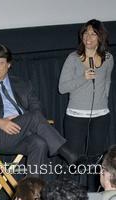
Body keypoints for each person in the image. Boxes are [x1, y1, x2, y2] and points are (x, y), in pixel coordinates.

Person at [0, 44, 82, 177]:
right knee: (33, 117)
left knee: (40, 144)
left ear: (9, 64)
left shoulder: (22, 83)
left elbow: (37, 108)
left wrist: (22, 120)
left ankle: (32, 191)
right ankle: (70, 155)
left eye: (0, 63)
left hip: (21, 132)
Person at [59, 19, 114, 191]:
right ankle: (67, 193)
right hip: (76, 116)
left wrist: (103, 103)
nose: (88, 37)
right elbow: (62, 88)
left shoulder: (108, 58)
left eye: (93, 33)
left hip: (101, 116)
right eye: (85, 33)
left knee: (96, 160)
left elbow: (107, 83)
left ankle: (93, 193)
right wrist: (83, 77)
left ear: (100, 37)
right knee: (74, 160)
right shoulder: (73, 58)